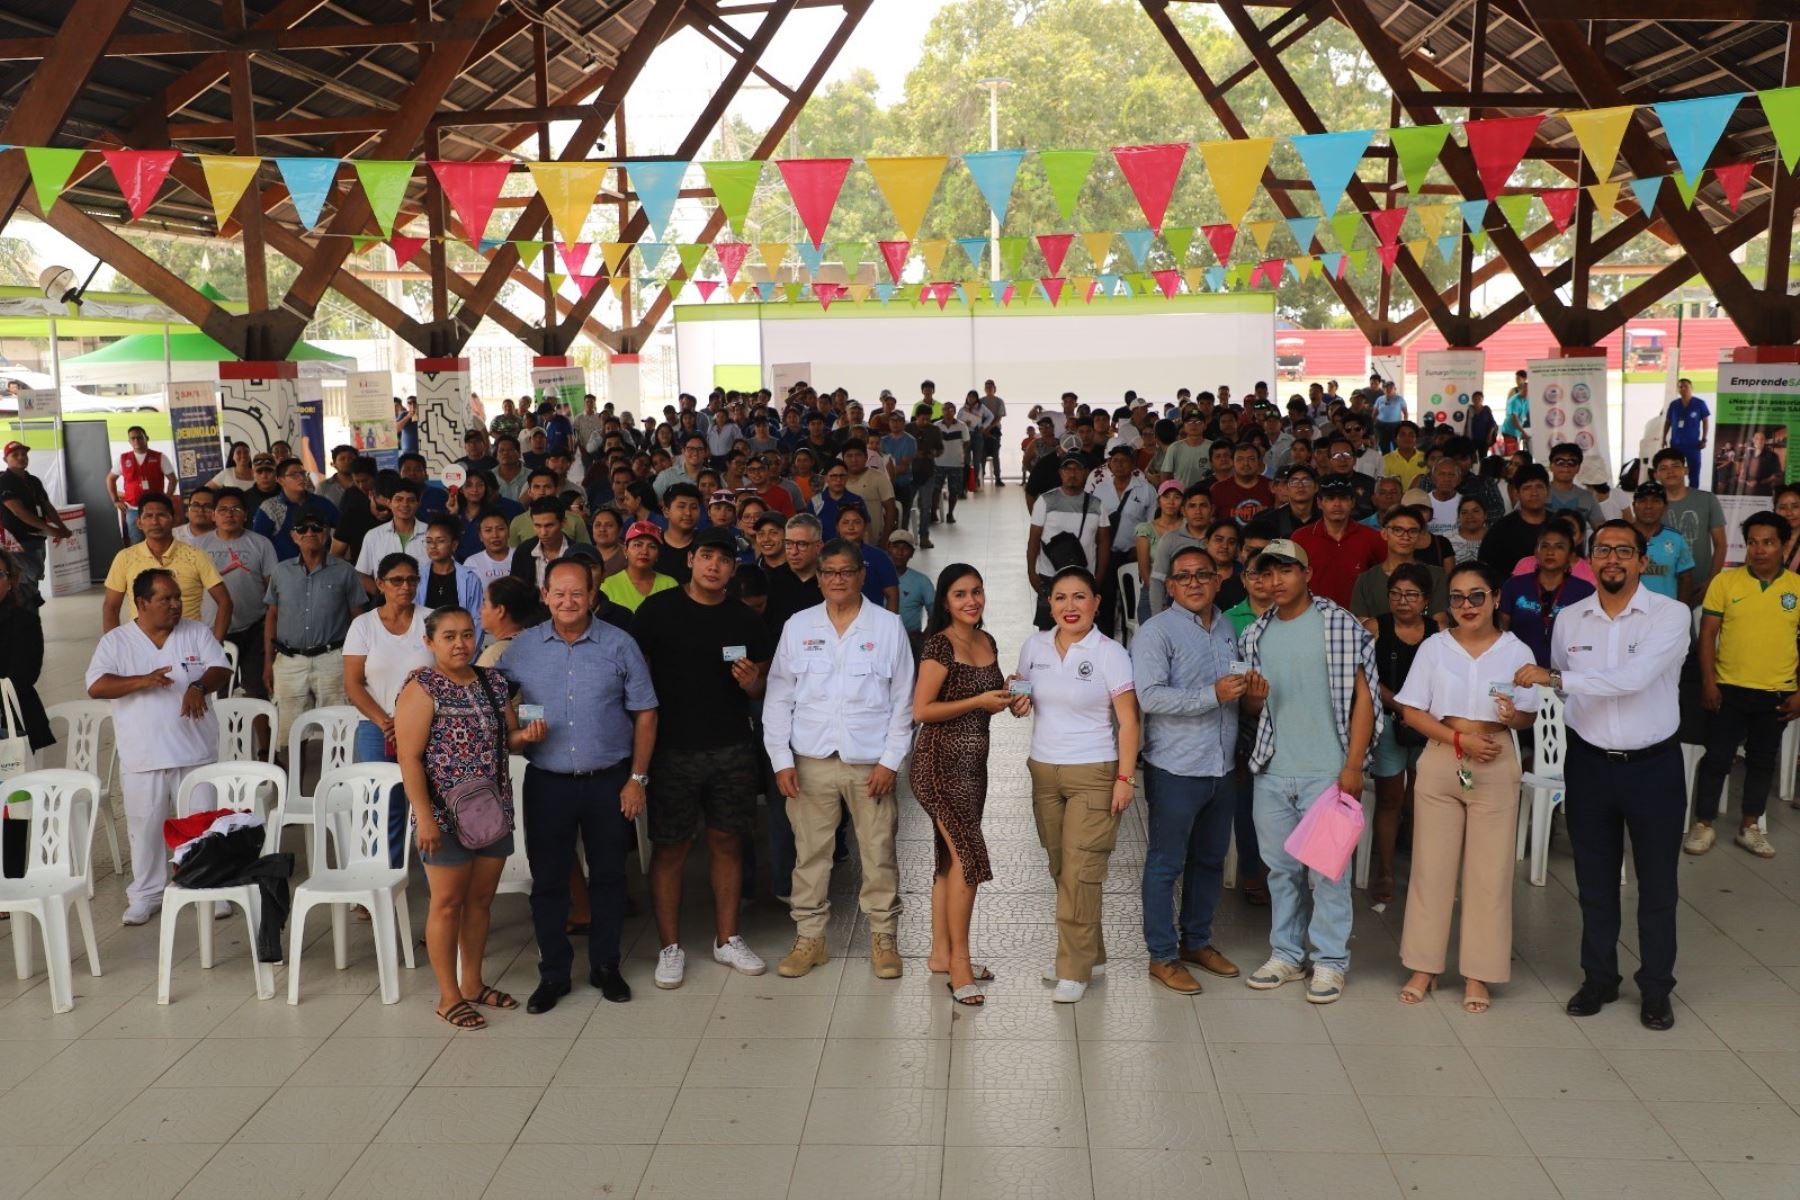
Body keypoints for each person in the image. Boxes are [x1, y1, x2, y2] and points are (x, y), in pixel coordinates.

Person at [1514, 520, 1689, 1031]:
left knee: (1657, 885)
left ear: (1641, 560)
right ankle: (1599, 979)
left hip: (1653, 767)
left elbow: (1630, 680)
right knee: (1593, 882)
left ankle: (1656, 988)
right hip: (1588, 764)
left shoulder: (1669, 615)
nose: (1612, 559)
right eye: (1603, 550)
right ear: (1589, 560)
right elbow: (1561, 689)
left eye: (1623, 551)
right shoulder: (1570, 619)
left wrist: (1555, 679)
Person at [501, 558, 656, 1012]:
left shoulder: (619, 644)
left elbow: (646, 712)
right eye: (558, 593)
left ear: (593, 595)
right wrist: (514, 732)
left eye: (578, 593)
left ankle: (606, 965)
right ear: (545, 595)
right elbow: (494, 696)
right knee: (548, 881)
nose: (568, 601)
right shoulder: (523, 648)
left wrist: (637, 779)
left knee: (609, 877)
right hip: (547, 782)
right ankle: (553, 973)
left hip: (609, 780)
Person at [762, 538, 914, 981]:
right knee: (810, 855)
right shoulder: (799, 626)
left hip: (870, 765)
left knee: (878, 852)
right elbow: (778, 696)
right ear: (819, 576)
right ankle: (810, 939)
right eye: (828, 573)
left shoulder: (887, 627)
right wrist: (780, 760)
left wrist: (890, 761)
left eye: (846, 572)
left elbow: (903, 702)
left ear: (862, 575)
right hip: (810, 761)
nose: (837, 580)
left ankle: (884, 939)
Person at [1392, 560, 1538, 1013]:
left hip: (1495, 760)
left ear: (1496, 598)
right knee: (1430, 869)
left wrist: (1516, 718)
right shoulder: (1435, 648)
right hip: (1443, 757)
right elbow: (1412, 711)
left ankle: (1478, 973)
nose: (1467, 605)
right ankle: (1424, 965)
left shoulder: (1517, 651)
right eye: (1457, 597)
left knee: (1489, 874)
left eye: (1477, 595)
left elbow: (1528, 713)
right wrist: (1459, 739)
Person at [632, 528, 772, 989]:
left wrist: (753, 682)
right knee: (671, 848)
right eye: (706, 556)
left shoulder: (745, 619)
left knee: (728, 841)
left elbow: (763, 686)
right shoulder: (657, 611)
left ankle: (727, 938)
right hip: (672, 749)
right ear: (690, 560)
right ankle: (669, 947)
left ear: (733, 569)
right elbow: (637, 681)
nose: (714, 566)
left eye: (723, 559)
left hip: (731, 745)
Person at [1239, 537, 1377, 1004]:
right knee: (1280, 870)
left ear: (1307, 574)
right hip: (1274, 769)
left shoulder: (1339, 625)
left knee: (1328, 873)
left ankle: (1331, 961)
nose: (1275, 581)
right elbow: (1259, 708)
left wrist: (1353, 765)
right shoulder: (1256, 633)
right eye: (1267, 573)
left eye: (1286, 571)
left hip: (1328, 771)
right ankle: (1286, 954)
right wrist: (1254, 696)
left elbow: (1366, 700)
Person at [395, 605, 542, 1029]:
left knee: (480, 902)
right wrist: (423, 816)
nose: (460, 643)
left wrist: (527, 736)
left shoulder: (493, 682)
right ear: (429, 642)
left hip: (492, 810)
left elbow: (510, 739)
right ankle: (448, 996)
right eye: (449, 636)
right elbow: (408, 755)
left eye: (466, 634)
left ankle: (473, 984)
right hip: (442, 815)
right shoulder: (423, 687)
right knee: (447, 904)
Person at [1011, 564, 1139, 1003]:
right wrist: (1017, 701)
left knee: (1082, 873)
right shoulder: (1034, 646)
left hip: (1095, 773)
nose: (1070, 606)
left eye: (1080, 597)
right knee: (1062, 869)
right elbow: (1021, 699)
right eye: (1061, 597)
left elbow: (1128, 721)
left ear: (1097, 603)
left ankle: (1073, 968)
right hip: (1044, 771)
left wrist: (1125, 778)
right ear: (1049, 604)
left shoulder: (1109, 652)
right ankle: (1091, 954)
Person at [85, 570, 230, 924]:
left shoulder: (195, 632)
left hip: (195, 753)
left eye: (178, 597)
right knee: (145, 828)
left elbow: (221, 669)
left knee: (201, 826)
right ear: (142, 603)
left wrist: (197, 685)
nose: (176, 605)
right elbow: (97, 686)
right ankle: (147, 895)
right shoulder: (117, 641)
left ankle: (206, 887)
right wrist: (142, 681)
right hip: (143, 755)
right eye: (166, 599)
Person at [1132, 545, 1243, 995]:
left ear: (1219, 579)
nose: (1194, 583)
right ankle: (1162, 955)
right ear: (1170, 586)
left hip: (1222, 764)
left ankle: (1197, 941)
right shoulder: (1156, 633)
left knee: (1210, 860)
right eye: (1184, 577)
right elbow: (1150, 697)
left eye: (1204, 574)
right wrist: (1211, 696)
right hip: (1176, 767)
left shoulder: (1229, 628)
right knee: (1165, 864)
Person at [911, 562, 1009, 1005]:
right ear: (945, 602)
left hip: (975, 770)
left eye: (977, 591)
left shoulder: (986, 640)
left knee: (949, 862)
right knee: (969, 860)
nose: (971, 601)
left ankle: (938, 954)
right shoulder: (939, 645)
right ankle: (960, 965)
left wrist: (1009, 700)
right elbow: (923, 710)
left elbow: (987, 703)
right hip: (937, 766)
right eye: (960, 595)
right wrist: (979, 701)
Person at [1686, 511, 1800, 861]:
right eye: (1753, 542)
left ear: (1784, 545)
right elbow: (1707, 635)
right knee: (1717, 758)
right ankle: (1704, 823)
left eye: (1768, 542)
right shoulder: (1726, 583)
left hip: (1777, 692)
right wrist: (1708, 681)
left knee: (1762, 761)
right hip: (1728, 688)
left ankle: (1750, 825)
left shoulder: (1796, 588)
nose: (1759, 550)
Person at [1360, 562, 1442, 906]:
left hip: (1428, 725)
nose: (1402, 601)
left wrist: (1422, 715)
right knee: (1390, 799)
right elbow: (1366, 678)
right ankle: (1386, 871)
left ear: (1425, 600)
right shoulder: (1376, 626)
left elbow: (1445, 680)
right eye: (1396, 594)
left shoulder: (1439, 631)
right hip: (1390, 723)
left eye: (1411, 595)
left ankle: (1428, 871)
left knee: (1423, 799)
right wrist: (1406, 709)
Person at [262, 508, 361, 751]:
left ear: (327, 534)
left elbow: (358, 618)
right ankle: (293, 785)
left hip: (333, 658)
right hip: (289, 660)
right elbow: (272, 616)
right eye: (302, 529)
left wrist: (357, 662)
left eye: (316, 528)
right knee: (290, 734)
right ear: (293, 536)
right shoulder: (280, 571)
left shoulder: (345, 571)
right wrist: (268, 662)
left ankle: (336, 785)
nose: (309, 533)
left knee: (338, 730)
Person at [102, 494, 231, 642]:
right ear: (139, 523)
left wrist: (215, 643)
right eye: (148, 516)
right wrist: (114, 648)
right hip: (141, 644)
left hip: (189, 644)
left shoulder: (196, 556)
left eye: (161, 515)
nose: (155, 521)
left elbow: (225, 602)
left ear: (174, 520)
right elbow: (111, 607)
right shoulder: (125, 558)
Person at [192, 488, 278, 700]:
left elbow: (273, 591)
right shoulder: (198, 546)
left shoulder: (261, 544)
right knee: (218, 691)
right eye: (222, 510)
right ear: (213, 515)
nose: (229, 514)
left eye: (236, 509)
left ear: (246, 515)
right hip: (211, 631)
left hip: (253, 628)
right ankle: (227, 733)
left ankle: (262, 733)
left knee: (257, 690)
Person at [1027, 454, 1111, 629]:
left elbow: (1103, 542)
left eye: (1077, 469)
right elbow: (1034, 539)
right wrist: (1032, 574)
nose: (1072, 474)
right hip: (1050, 576)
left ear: (1086, 473)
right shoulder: (1045, 501)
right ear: (1060, 473)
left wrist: (1099, 576)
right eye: (1067, 469)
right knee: (1048, 631)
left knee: (1081, 628)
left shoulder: (1097, 505)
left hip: (1083, 577)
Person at [1497, 522, 1594, 667]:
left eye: (1559, 547)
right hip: (1517, 669)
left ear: (1571, 555)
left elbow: (1589, 639)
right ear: (1536, 552)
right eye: (1545, 546)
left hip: (1565, 674)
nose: (1550, 552)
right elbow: (1502, 631)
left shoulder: (1585, 591)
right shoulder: (1514, 586)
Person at [1291, 476, 1386, 609]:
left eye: (1343, 498)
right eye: (1330, 499)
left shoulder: (1372, 538)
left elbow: (1386, 577)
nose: (1337, 504)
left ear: (1352, 502)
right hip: (1313, 619)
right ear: (1319, 503)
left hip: (1358, 621)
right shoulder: (1301, 538)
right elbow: (1292, 581)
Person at [1350, 506, 1447, 620]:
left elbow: (1440, 624)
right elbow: (1362, 628)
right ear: (1384, 533)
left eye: (1412, 531)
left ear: (1420, 537)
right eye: (1398, 530)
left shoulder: (1436, 576)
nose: (1405, 536)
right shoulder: (1366, 580)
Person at [1651, 447, 1727, 592]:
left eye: (1675, 466)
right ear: (1656, 475)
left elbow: (1720, 545)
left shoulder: (1707, 500)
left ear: (1685, 470)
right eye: (1664, 468)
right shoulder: (1650, 507)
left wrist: (1711, 582)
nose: (1670, 471)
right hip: (1661, 587)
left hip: (1700, 585)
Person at [0, 441, 70, 585]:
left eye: (24, 454)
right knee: (23, 584)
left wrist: (61, 527)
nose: (21, 457)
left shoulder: (33, 481)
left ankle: (30, 607)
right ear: (5, 459)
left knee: (34, 579)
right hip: (16, 541)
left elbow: (47, 506)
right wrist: (51, 529)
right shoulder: (4, 481)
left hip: (37, 539)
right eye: (15, 455)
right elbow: (18, 511)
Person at [353, 478, 428, 597]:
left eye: (411, 500)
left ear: (418, 503)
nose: (405, 504)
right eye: (398, 499)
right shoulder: (373, 536)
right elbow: (362, 574)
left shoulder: (431, 534)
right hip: (387, 608)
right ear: (389, 502)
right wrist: (381, 595)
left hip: (425, 606)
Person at [252, 458, 339, 561]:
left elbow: (342, 528)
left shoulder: (321, 503)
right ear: (280, 480)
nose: (301, 478)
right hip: (285, 570)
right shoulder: (270, 508)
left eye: (303, 473)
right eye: (294, 475)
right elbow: (258, 544)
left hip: (322, 566)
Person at [1624, 482, 1696, 604]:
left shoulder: (1676, 538)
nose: (1648, 506)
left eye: (1656, 501)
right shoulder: (1621, 536)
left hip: (1665, 613)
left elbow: (1685, 578)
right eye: (1642, 501)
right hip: (1627, 612)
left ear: (1665, 507)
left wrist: (1681, 610)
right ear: (1634, 506)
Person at [416, 514, 484, 639]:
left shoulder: (470, 579)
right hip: (424, 646)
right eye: (429, 541)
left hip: (459, 647)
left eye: (440, 541)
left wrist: (468, 654)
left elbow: (477, 621)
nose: (433, 546)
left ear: (454, 545)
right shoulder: (417, 577)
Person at [1478, 463, 1554, 575]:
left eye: (1539, 486)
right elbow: (1486, 571)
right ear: (1517, 493)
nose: (1534, 493)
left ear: (1548, 491)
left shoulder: (1559, 524)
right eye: (1527, 488)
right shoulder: (1500, 530)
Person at [107, 425, 177, 545]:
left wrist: (167, 497)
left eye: (139, 437)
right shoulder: (123, 459)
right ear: (129, 441)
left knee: (160, 539)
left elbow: (172, 480)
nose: (136, 441)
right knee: (136, 542)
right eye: (132, 438)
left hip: (156, 509)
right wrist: (115, 500)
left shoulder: (159, 457)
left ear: (146, 438)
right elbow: (110, 479)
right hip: (133, 509)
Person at [474, 576, 544, 668]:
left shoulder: (494, 655)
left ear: (500, 610)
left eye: (484, 605)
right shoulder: (539, 646)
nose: (480, 610)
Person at [1662, 377, 1711, 488]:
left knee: (1694, 471)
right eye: (1680, 387)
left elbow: (1705, 421)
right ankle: (1677, 494)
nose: (1683, 388)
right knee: (1674, 471)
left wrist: (1704, 439)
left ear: (1691, 388)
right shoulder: (1674, 405)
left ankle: (1693, 496)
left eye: (1686, 386)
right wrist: (1663, 438)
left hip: (1693, 445)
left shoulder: (1699, 403)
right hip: (1676, 444)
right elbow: (1668, 422)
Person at [890, 529, 933, 645]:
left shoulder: (922, 581)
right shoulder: (876, 578)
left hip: (911, 641)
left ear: (912, 553)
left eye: (905, 548)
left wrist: (924, 637)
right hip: (879, 639)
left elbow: (935, 613)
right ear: (888, 549)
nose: (900, 552)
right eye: (896, 547)